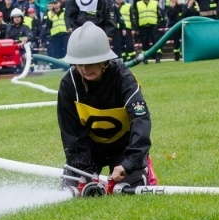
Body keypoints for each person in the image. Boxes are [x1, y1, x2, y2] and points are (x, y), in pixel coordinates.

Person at [57, 22, 154, 191]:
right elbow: (71, 133)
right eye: (79, 64)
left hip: (123, 147)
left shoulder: (124, 79)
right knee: (70, 189)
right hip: (90, 147)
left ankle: (144, 167)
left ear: (104, 60)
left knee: (129, 189)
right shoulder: (68, 84)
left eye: (90, 63)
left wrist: (130, 162)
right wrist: (85, 172)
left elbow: (141, 120)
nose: (84, 70)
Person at [131, 0, 162, 64]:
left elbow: (160, 14)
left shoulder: (155, 3)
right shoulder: (138, 4)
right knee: (144, 43)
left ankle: (157, 57)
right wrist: (137, 28)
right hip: (143, 26)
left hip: (153, 26)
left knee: (156, 42)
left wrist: (158, 24)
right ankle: (145, 58)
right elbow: (136, 16)